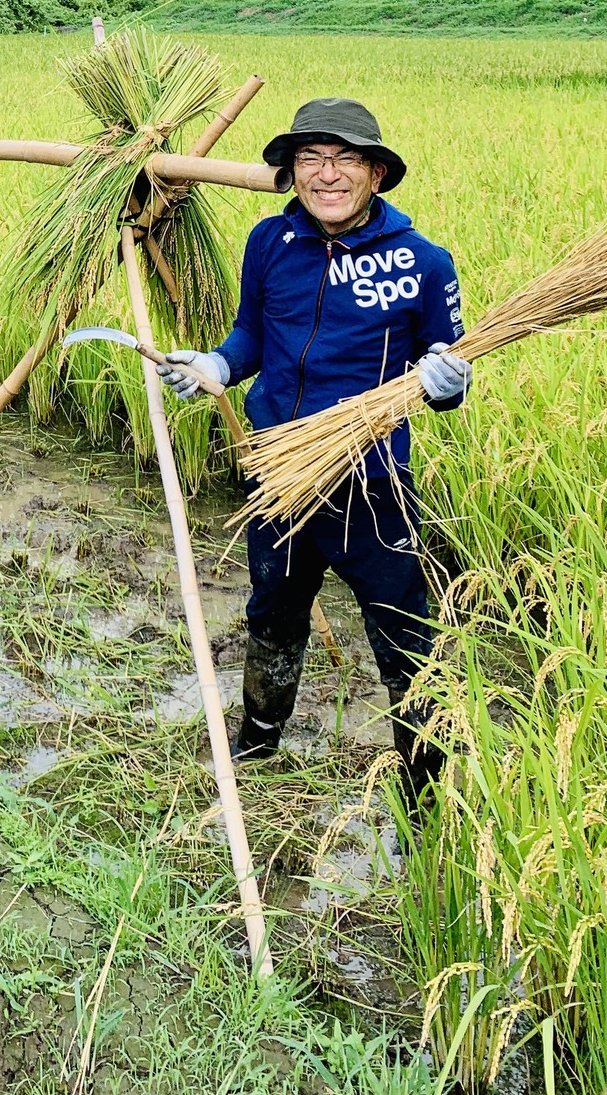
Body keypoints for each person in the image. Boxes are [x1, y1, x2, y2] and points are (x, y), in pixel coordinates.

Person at [158, 97, 469, 808]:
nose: (326, 175)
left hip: (370, 482)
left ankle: (423, 795)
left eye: (345, 159)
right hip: (281, 472)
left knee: (403, 636)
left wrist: (449, 381)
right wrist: (214, 366)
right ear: (292, 171)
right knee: (272, 612)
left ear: (377, 172)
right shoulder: (270, 244)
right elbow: (250, 339)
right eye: (310, 159)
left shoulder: (423, 263)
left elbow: (445, 371)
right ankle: (260, 743)